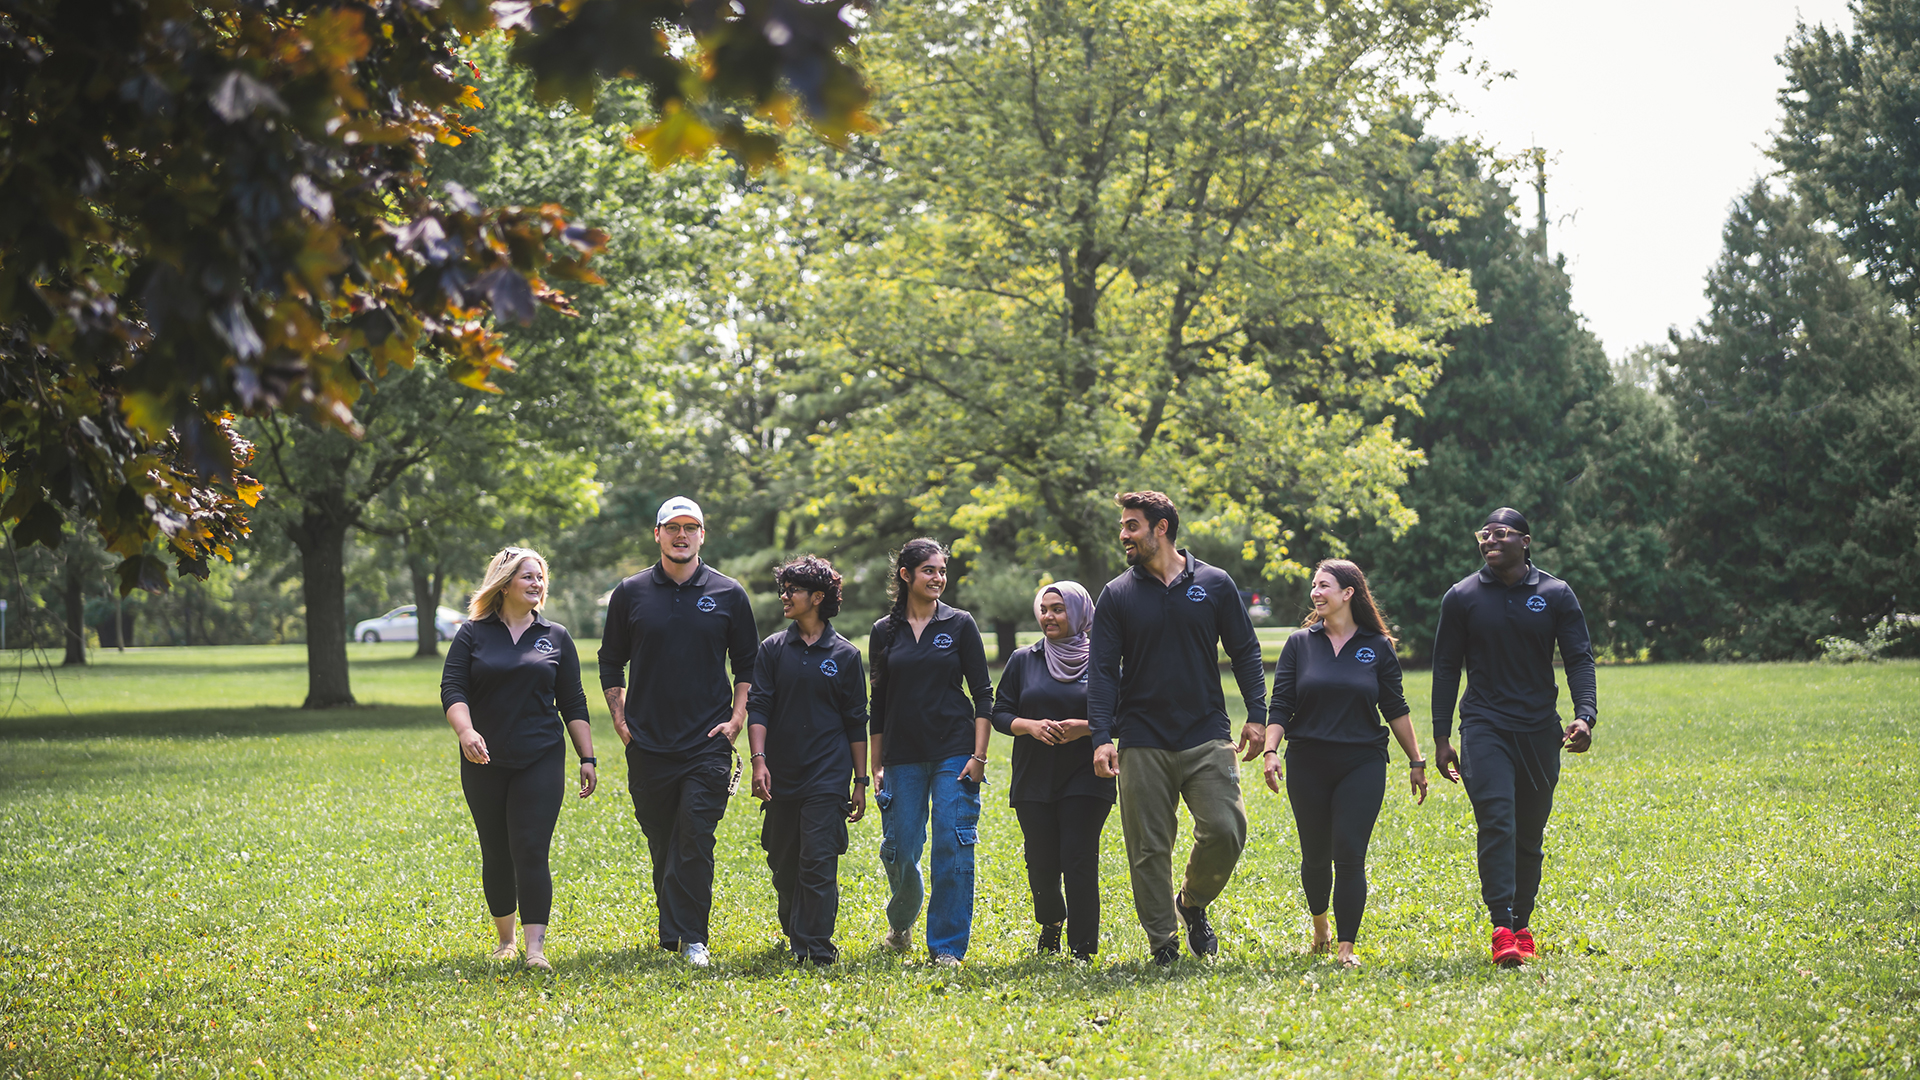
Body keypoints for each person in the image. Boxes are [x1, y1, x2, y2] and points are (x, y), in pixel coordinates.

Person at [1089, 491, 1268, 966]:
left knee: (1227, 829)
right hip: (1142, 736)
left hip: (1206, 730)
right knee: (1149, 848)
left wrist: (1256, 714)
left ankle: (1190, 903)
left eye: (1132, 526)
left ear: (1161, 528)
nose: (1123, 535)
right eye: (1123, 526)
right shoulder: (1117, 594)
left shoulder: (1214, 583)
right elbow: (1104, 671)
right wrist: (1102, 737)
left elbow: (1246, 651)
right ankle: (1163, 942)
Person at [1430, 507, 1597, 967]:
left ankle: (1522, 925)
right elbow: (1445, 668)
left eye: (1500, 534)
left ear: (1525, 541)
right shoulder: (1461, 597)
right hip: (1484, 725)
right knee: (1497, 821)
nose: (1489, 541)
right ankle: (1501, 924)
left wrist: (1585, 716)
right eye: (1483, 534)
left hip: (1540, 729)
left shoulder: (1555, 593)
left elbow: (1580, 658)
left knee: (1529, 833)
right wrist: (1442, 736)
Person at [598, 496, 759, 968]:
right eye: (673, 527)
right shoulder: (630, 593)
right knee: (662, 838)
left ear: (702, 535)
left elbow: (749, 663)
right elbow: (610, 659)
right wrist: (621, 721)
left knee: (695, 836)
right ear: (658, 535)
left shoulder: (729, 594)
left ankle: (693, 937)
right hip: (647, 742)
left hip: (707, 742)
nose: (682, 535)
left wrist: (736, 719)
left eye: (691, 527)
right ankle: (672, 932)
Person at [1261, 559, 1428, 969]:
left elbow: (1395, 707)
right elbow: (1281, 704)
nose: (1316, 593)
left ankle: (1346, 947)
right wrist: (1269, 751)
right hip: (1307, 760)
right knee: (1315, 855)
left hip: (1362, 761)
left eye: (1324, 586)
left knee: (1349, 852)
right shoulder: (1300, 644)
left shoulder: (1378, 646)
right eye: (1314, 586)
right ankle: (1321, 927)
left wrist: (1416, 760)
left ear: (1348, 593)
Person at [440, 547, 597, 971]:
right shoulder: (472, 634)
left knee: (530, 848)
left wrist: (588, 756)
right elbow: (453, 690)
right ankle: (505, 940)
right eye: (528, 576)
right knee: (496, 850)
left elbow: (573, 701)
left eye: (540, 577)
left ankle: (535, 950)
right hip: (483, 759)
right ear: (505, 582)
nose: (536, 584)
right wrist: (466, 731)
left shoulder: (556, 636)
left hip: (540, 756)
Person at [868, 538, 994, 967]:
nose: (939, 578)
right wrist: (876, 765)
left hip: (953, 752)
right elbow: (878, 704)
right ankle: (901, 921)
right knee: (900, 848)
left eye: (942, 571)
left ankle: (946, 948)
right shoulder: (884, 632)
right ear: (906, 575)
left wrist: (978, 757)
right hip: (902, 755)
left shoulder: (960, 624)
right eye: (930, 571)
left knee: (951, 846)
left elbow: (982, 694)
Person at [746, 555, 871, 966]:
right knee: (783, 861)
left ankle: (815, 947)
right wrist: (759, 761)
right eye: (784, 589)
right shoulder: (772, 650)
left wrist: (859, 781)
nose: (785, 596)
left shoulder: (847, 655)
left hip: (827, 775)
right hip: (781, 774)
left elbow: (856, 722)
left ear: (817, 598)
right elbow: (759, 707)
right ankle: (796, 929)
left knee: (818, 861)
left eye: (793, 590)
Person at [991, 580, 1114, 962]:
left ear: (1078, 612)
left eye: (1058, 609)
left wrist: (1085, 727)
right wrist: (1028, 726)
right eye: (1044, 609)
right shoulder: (1023, 660)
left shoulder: (1105, 660)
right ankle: (1051, 922)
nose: (1049, 616)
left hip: (1086, 775)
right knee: (1041, 862)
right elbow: (1000, 713)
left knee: (1078, 857)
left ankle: (1083, 949)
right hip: (1034, 775)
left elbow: (1124, 717)